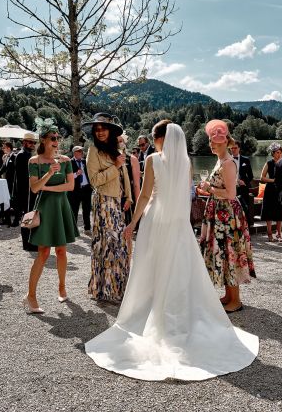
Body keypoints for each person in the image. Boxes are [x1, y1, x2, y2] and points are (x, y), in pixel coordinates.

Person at [85, 120, 258, 381]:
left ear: (158, 139)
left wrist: (133, 222)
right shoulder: (186, 163)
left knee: (152, 268)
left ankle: (153, 311)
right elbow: (185, 196)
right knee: (179, 269)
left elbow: (145, 196)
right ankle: (178, 312)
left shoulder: (153, 159)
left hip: (156, 221)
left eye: (154, 138)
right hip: (179, 225)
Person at [197, 119, 256, 313]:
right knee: (222, 252)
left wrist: (209, 188)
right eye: (210, 141)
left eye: (214, 142)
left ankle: (236, 300)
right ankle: (229, 295)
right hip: (218, 212)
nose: (211, 145)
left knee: (230, 252)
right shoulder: (220, 160)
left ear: (224, 142)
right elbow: (220, 188)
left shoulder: (229, 163)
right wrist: (209, 191)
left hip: (227, 215)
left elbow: (230, 194)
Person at [23, 125, 78, 314]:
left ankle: (62, 287)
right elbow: (35, 188)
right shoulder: (34, 161)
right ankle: (30, 296)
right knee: (44, 252)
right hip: (45, 208)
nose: (56, 141)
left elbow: (70, 186)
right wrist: (49, 174)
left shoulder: (66, 160)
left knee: (61, 251)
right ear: (44, 140)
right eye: (52, 138)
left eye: (57, 138)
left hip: (61, 206)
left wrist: (49, 188)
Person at [84, 113, 132, 303]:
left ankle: (117, 287)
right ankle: (106, 290)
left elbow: (124, 173)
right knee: (107, 246)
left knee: (118, 245)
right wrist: (115, 166)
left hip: (117, 202)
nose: (100, 132)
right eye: (97, 129)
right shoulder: (93, 151)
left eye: (103, 128)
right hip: (104, 202)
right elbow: (95, 181)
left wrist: (128, 195)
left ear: (110, 131)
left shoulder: (115, 149)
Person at [14, 133, 38, 253]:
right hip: (26, 190)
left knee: (29, 215)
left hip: (28, 189)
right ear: (24, 143)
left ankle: (29, 243)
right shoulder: (23, 155)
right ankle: (28, 243)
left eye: (34, 142)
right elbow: (23, 176)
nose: (33, 144)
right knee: (27, 216)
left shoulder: (26, 154)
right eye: (30, 142)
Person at [259, 142, 282, 242]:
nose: (279, 154)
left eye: (280, 152)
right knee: (269, 212)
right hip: (270, 190)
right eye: (277, 152)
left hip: (280, 190)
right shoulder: (269, 163)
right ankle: (269, 234)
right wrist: (273, 180)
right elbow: (262, 178)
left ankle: (279, 233)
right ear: (273, 153)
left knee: (280, 212)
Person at [67, 145, 92, 235]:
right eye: (79, 151)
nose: (81, 153)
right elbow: (67, 177)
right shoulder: (69, 162)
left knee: (87, 209)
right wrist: (76, 174)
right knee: (74, 210)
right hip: (75, 190)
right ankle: (73, 230)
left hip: (86, 189)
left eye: (81, 151)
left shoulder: (85, 162)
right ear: (74, 153)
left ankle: (87, 228)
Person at [118, 134, 141, 226]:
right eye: (116, 142)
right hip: (111, 198)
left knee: (127, 230)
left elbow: (136, 184)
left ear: (125, 142)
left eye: (121, 141)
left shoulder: (132, 159)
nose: (119, 144)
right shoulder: (108, 158)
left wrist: (139, 205)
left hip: (127, 198)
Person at [230, 139, 254, 226]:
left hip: (243, 188)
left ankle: (246, 228)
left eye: (235, 148)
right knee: (232, 209)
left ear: (239, 148)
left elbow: (251, 176)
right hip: (231, 188)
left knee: (245, 208)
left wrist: (244, 182)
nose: (233, 150)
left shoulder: (246, 160)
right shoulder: (227, 160)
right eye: (231, 148)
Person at [0, 141, 16, 225]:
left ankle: (15, 220)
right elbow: (2, 168)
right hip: (6, 182)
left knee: (11, 201)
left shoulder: (14, 157)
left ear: (8, 148)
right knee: (5, 200)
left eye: (4, 148)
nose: (3, 149)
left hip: (13, 183)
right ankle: (6, 219)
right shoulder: (6, 157)